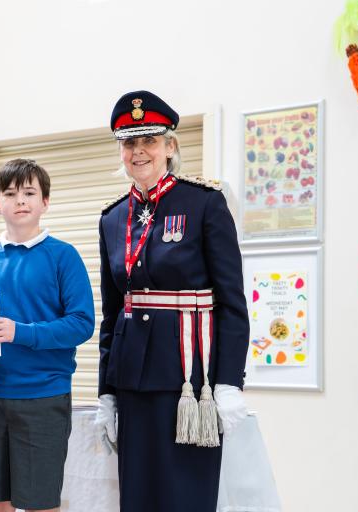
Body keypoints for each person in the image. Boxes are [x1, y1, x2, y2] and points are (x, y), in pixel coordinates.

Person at [94, 90, 250, 511]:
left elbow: (232, 301)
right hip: (133, 380)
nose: (139, 151)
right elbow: (113, 313)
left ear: (170, 146)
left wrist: (230, 380)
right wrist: (106, 391)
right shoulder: (111, 218)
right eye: (129, 142)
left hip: (190, 381)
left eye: (149, 140)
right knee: (139, 497)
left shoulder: (204, 202)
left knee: (186, 496)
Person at [0, 159, 95, 512]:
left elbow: (82, 323)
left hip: (43, 396)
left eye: (29, 193)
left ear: (45, 202)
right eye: (10, 193)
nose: (20, 200)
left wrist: (19, 332)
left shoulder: (63, 256)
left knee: (39, 503)